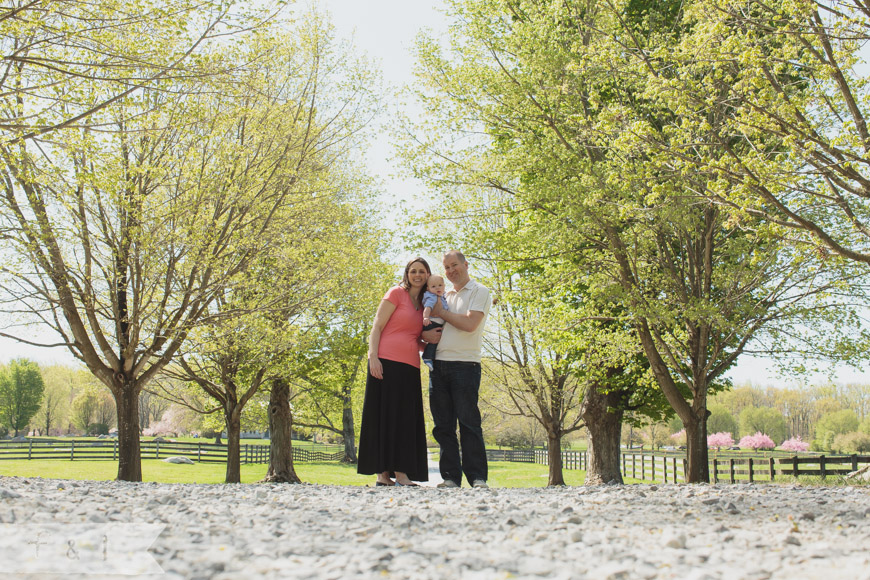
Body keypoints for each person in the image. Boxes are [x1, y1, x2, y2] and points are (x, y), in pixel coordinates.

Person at [357, 257, 441, 486]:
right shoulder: (395, 293)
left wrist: (428, 342)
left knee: (405, 420)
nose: (417, 275)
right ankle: (382, 474)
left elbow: (412, 337)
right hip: (384, 362)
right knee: (384, 418)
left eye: (422, 271)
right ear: (407, 274)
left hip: (410, 366)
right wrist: (372, 357)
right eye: (413, 271)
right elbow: (377, 325)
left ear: (427, 274)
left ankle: (403, 474)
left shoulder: (425, 303)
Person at [429, 250, 491, 488]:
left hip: (465, 365)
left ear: (466, 264)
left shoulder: (479, 291)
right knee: (443, 425)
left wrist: (442, 312)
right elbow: (431, 325)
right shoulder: (442, 294)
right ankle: (450, 478)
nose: (450, 270)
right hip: (438, 366)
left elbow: (470, 324)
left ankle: (477, 477)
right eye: (446, 267)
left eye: (454, 265)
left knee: (468, 423)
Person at [421, 274, 448, 370]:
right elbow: (428, 307)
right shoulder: (432, 297)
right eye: (433, 286)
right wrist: (425, 317)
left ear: (444, 286)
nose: (437, 288)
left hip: (436, 322)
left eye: (440, 285)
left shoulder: (443, 296)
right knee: (434, 340)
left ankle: (430, 356)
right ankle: (427, 357)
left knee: (437, 340)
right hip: (431, 322)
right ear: (428, 289)